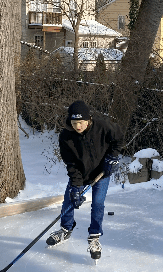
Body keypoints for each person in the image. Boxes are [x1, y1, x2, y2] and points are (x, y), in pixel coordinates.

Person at [46, 100, 123, 260]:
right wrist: (76, 187)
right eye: (74, 123)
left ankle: (94, 236)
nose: (78, 126)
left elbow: (118, 138)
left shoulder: (102, 127)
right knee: (69, 200)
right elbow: (72, 165)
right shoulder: (66, 137)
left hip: (101, 173)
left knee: (98, 204)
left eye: (81, 122)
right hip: (80, 174)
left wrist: (113, 157)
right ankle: (65, 230)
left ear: (89, 119)